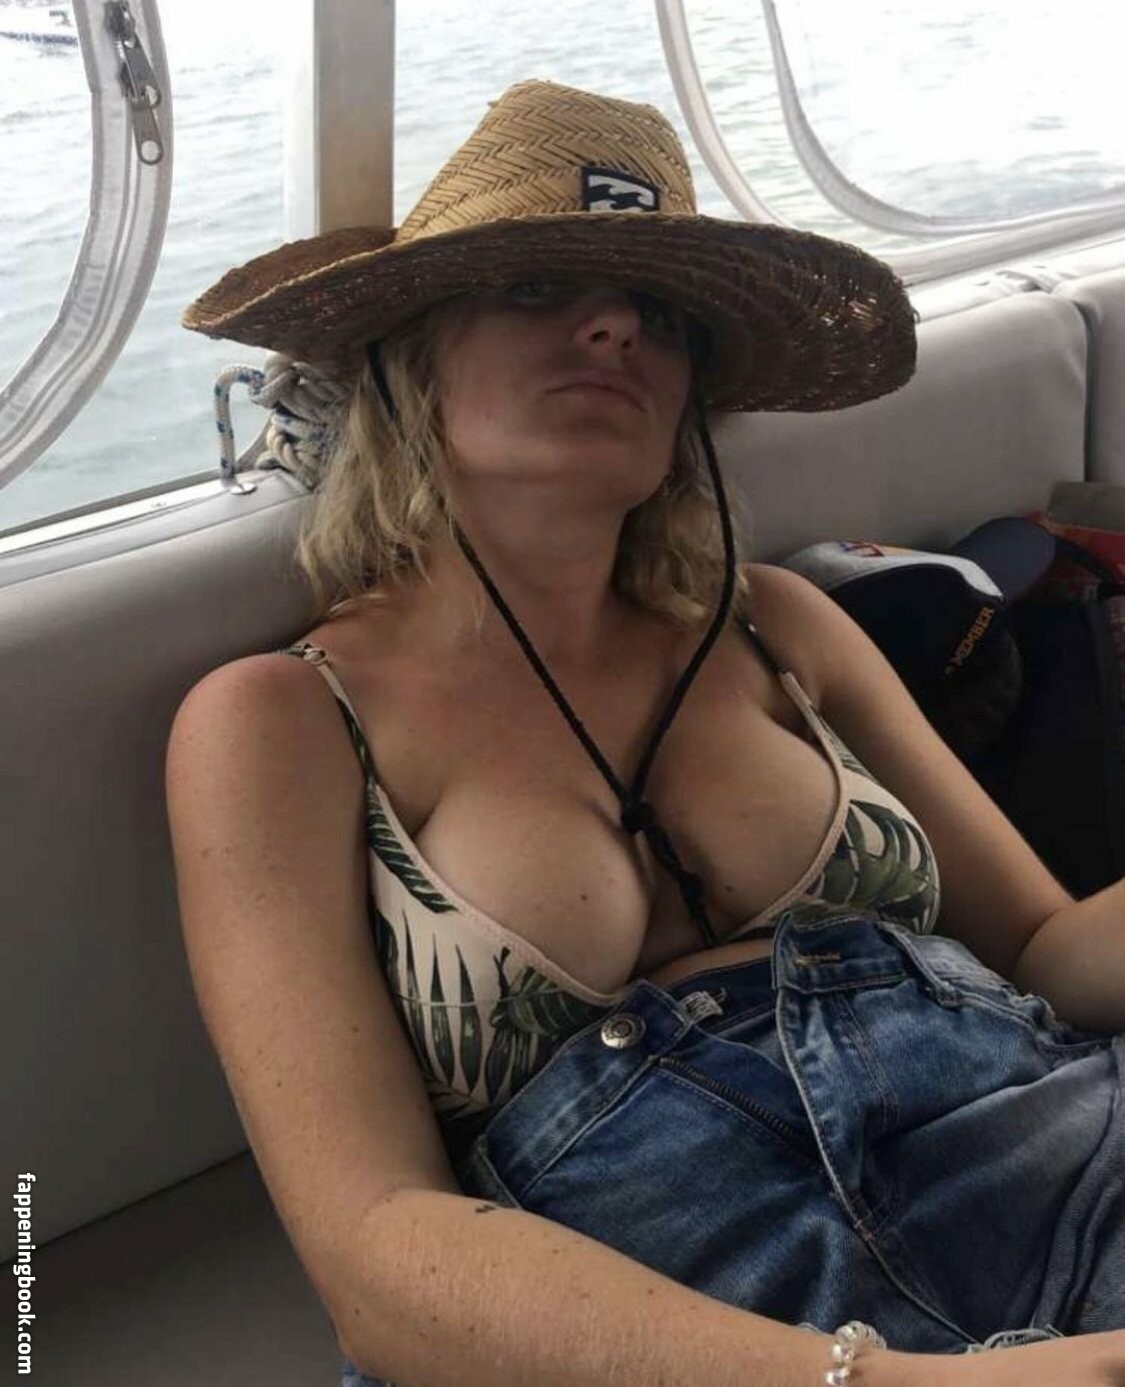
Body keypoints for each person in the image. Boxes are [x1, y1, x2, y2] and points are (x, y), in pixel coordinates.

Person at [166, 79, 1125, 1387]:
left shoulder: (776, 626)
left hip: (1050, 1142)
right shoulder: (283, 723)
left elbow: (1043, 950)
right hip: (659, 1300)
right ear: (408, 357)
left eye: (658, 316)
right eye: (535, 288)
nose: (615, 325)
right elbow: (373, 1247)